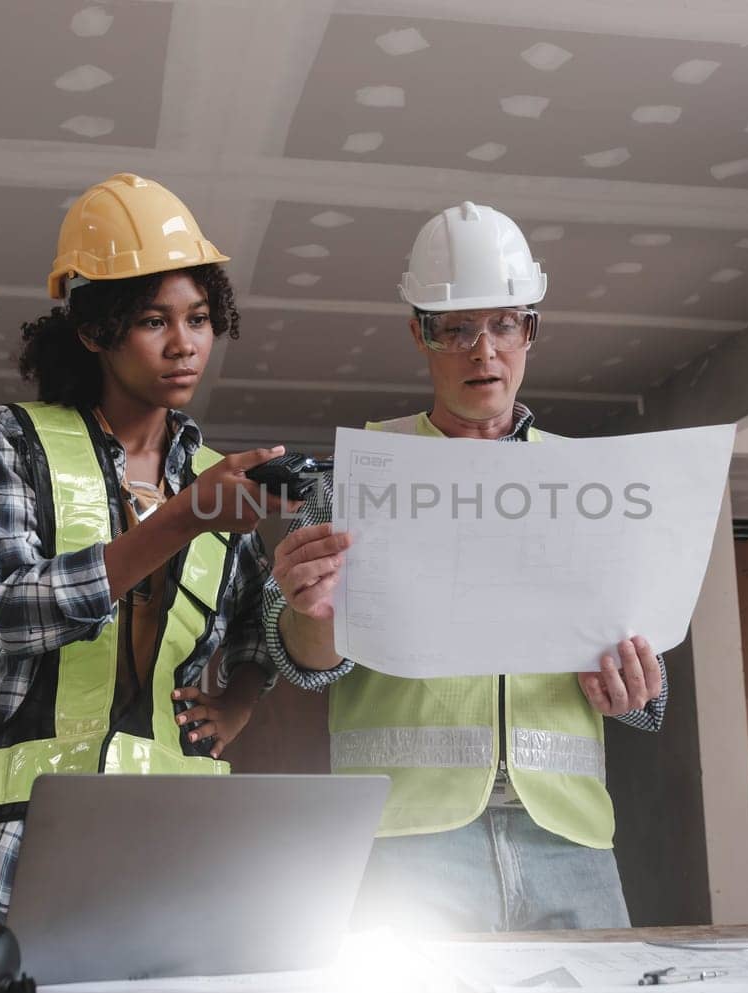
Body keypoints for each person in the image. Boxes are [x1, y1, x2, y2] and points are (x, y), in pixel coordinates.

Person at [264, 201, 667, 934]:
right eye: (457, 327)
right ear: (420, 333)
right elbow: (301, 661)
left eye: (506, 323)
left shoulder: (593, 481)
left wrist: (638, 687)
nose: (485, 352)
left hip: (568, 839)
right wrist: (306, 614)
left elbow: (644, 683)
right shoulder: (357, 476)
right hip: (407, 841)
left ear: (530, 331)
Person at [0, 173, 286, 919]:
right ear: (94, 330)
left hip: (171, 835)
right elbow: (14, 611)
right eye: (154, 320)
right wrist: (181, 519)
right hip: (12, 835)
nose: (184, 344)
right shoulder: (13, 437)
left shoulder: (213, 479)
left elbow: (264, 624)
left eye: (200, 317)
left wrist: (238, 703)